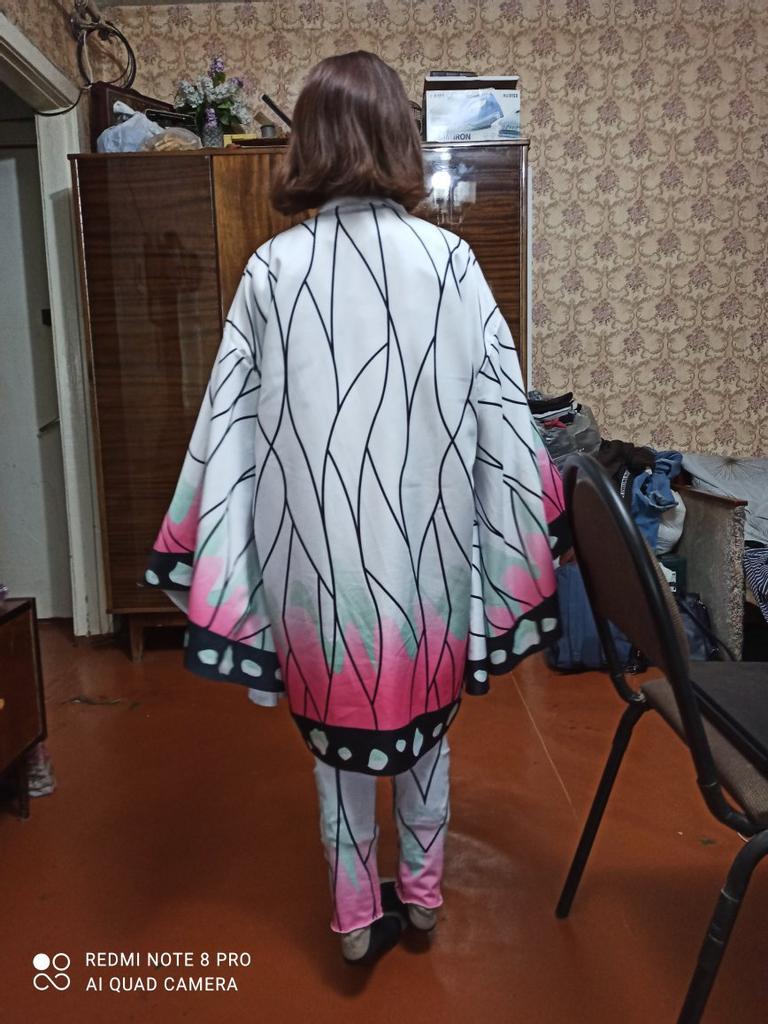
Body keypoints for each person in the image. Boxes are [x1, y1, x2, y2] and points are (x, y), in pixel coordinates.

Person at [145, 51, 568, 965]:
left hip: (315, 572)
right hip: (429, 566)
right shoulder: (450, 263)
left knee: (337, 754)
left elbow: (229, 432)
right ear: (398, 139)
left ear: (310, 143)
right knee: (428, 738)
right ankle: (421, 899)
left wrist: (209, 546)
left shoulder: (272, 271)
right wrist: (535, 520)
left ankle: (351, 922)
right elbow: (503, 417)